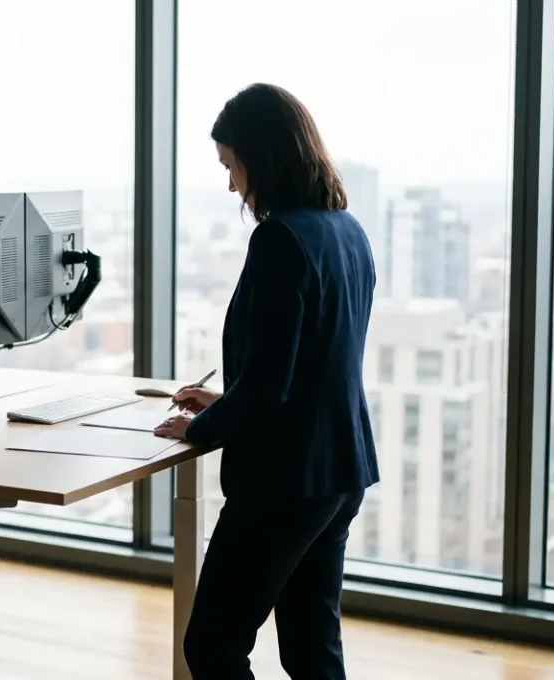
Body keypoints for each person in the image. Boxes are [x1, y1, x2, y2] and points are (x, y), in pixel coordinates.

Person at [154, 83, 379, 679]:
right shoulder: (346, 230)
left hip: (285, 482)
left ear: (264, 156)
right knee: (311, 649)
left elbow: (272, 389)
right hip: (338, 473)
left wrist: (200, 425)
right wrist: (228, 398)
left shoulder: (279, 238)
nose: (233, 185)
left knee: (213, 645)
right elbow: (311, 367)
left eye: (233, 165)